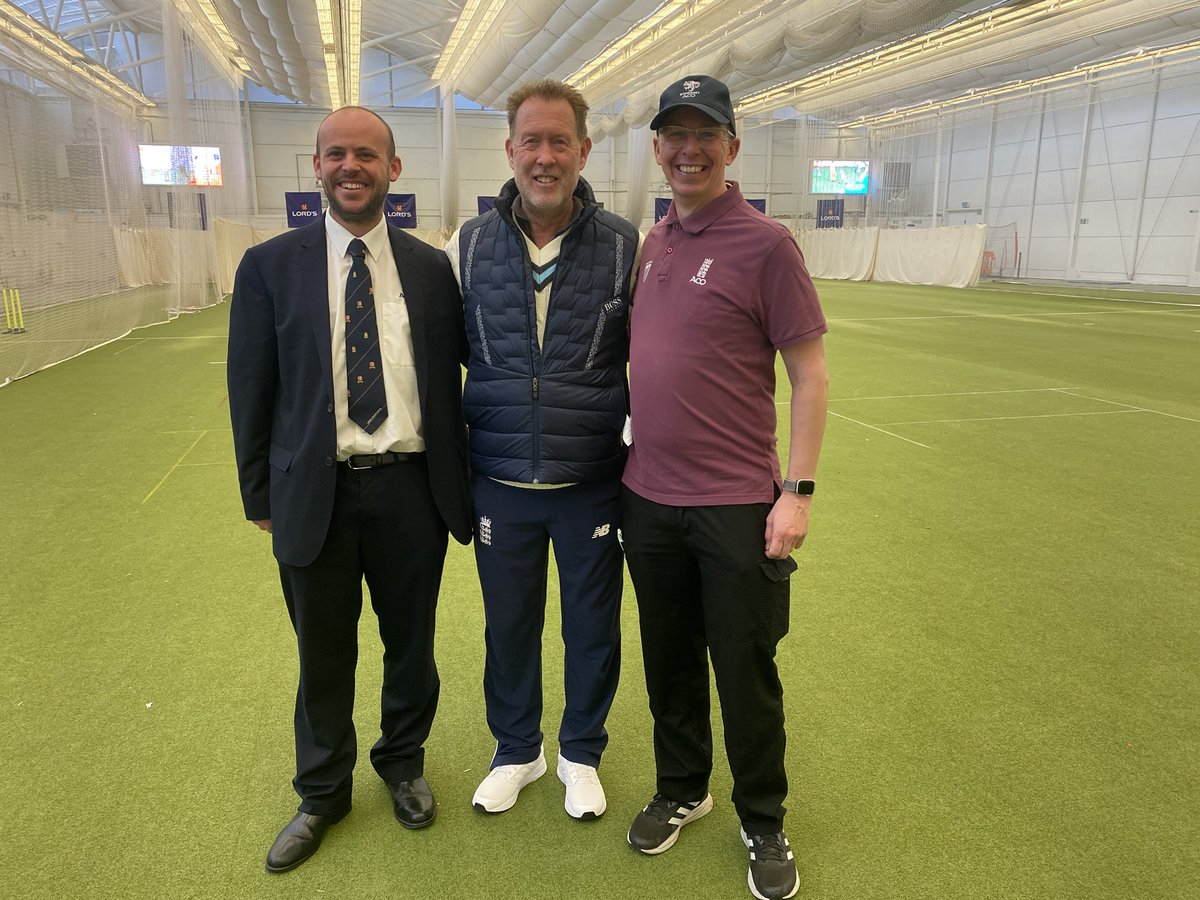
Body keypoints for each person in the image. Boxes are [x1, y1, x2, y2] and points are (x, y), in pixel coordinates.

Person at [227, 106, 472, 874]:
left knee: (411, 648)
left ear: (393, 170)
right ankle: (322, 793)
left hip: (410, 493)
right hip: (314, 496)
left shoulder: (432, 269)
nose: (351, 167)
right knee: (322, 655)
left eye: (366, 154)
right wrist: (259, 495)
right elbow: (249, 391)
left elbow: (460, 378)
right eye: (336, 154)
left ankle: (402, 764)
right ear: (316, 168)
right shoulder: (269, 267)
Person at [622, 75, 829, 900]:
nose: (688, 148)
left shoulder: (767, 244)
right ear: (658, 148)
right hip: (646, 495)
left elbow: (809, 376)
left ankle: (763, 818)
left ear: (732, 147)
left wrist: (799, 491)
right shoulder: (653, 241)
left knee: (744, 668)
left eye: (705, 133)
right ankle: (683, 789)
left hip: (738, 502)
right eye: (673, 134)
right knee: (668, 659)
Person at [444, 80, 639, 820]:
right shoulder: (466, 244)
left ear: (583, 151)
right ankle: (517, 750)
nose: (546, 156)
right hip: (498, 480)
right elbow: (451, 357)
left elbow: (650, 360)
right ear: (511, 150)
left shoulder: (626, 246)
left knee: (592, 628)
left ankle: (580, 753)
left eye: (561, 141)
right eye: (533, 141)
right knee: (509, 628)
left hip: (590, 480)